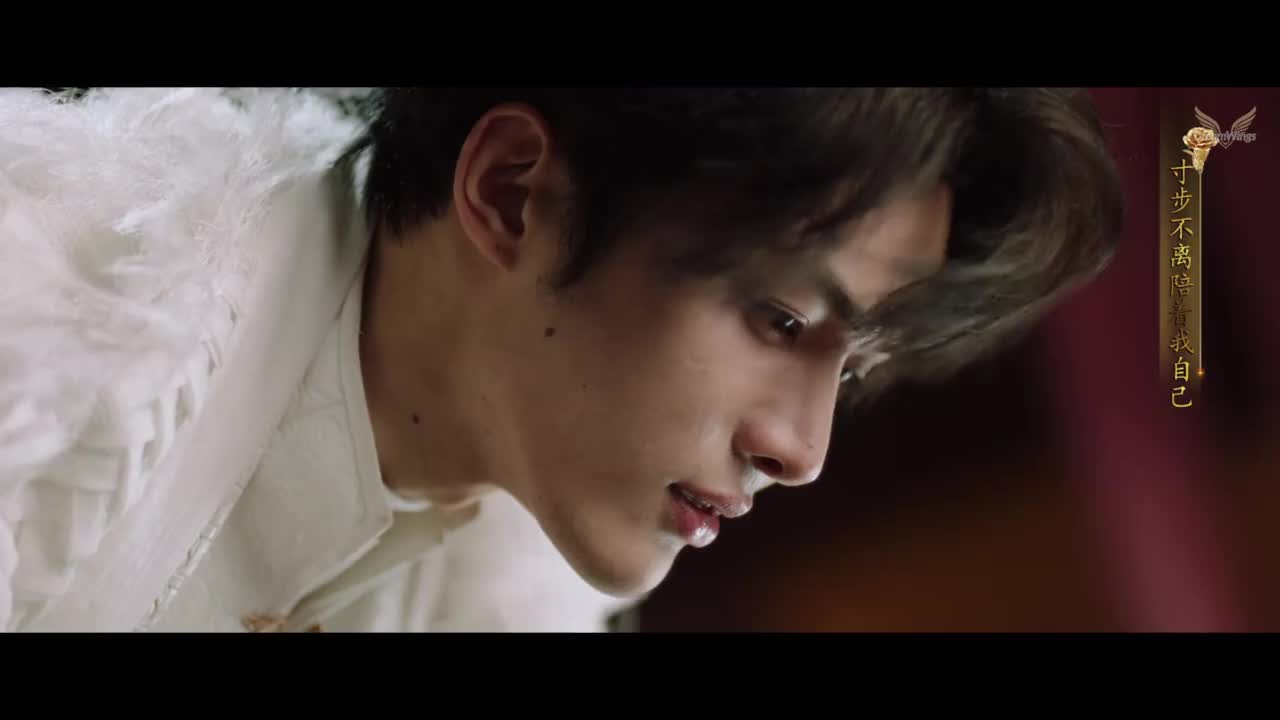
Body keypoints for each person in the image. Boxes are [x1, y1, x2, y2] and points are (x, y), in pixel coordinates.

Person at [0, 87, 1124, 632]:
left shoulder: (484, 592)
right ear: (511, 193)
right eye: (782, 321)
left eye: (855, 365)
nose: (801, 449)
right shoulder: (60, 326)